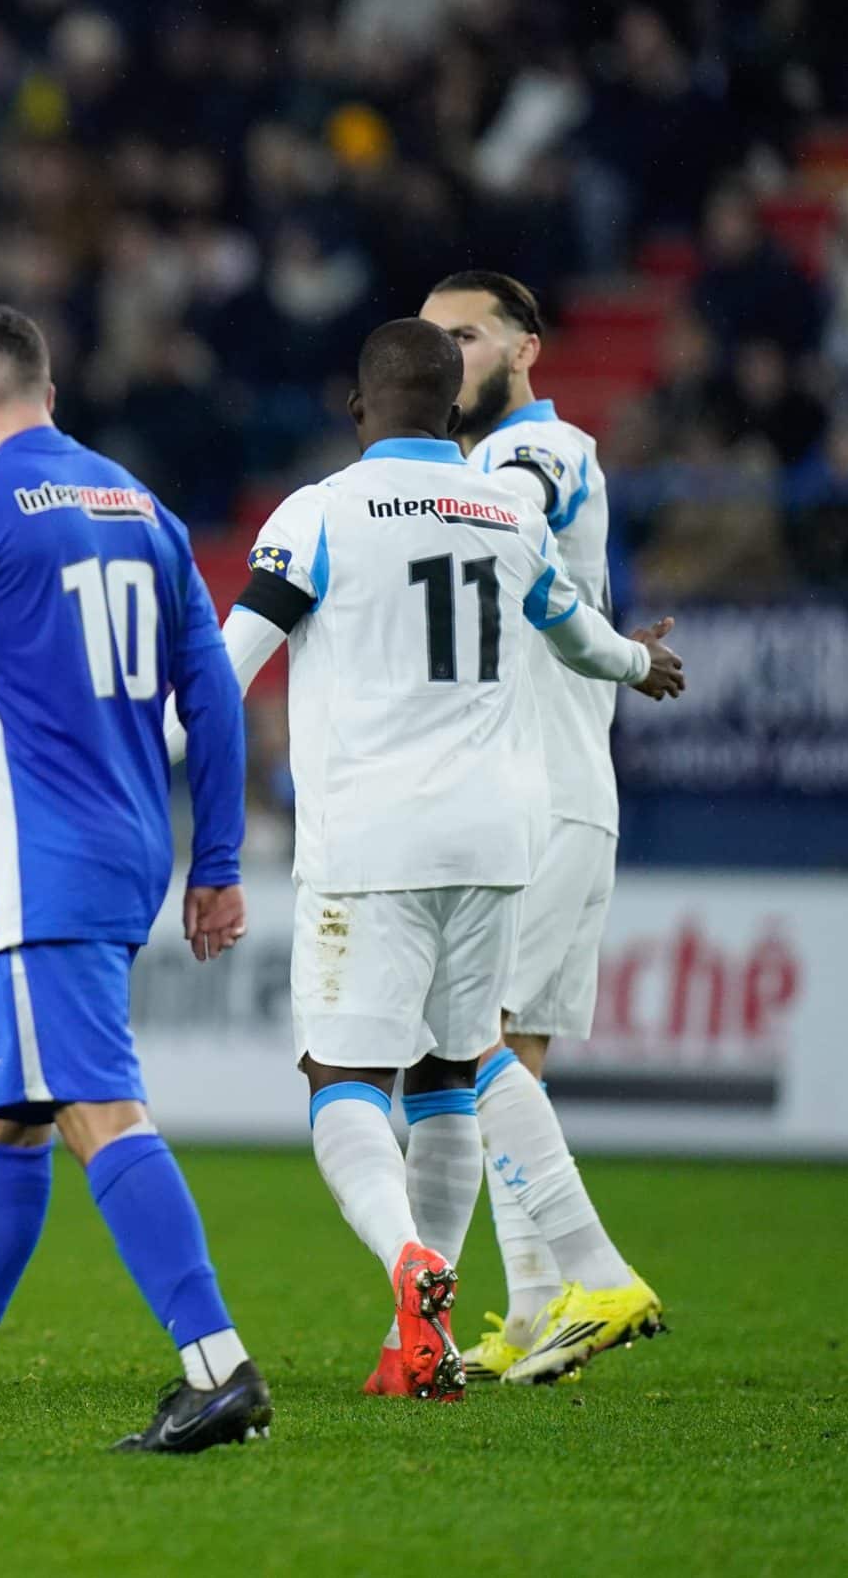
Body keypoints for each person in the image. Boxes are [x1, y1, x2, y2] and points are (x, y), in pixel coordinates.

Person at [0, 305, 268, 1453]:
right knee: (9, 1118)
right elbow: (213, 694)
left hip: (41, 862)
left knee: (94, 1104)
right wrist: (213, 857)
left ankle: (217, 1365)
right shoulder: (142, 508)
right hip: (126, 842)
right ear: (47, 393)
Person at [221, 318, 682, 1401]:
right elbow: (583, 637)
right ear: (452, 407)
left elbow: (228, 661)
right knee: (461, 1060)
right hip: (495, 835)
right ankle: (539, 1292)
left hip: (371, 837)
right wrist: (643, 664)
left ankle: (409, 1263)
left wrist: (146, 748)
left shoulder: (321, 512)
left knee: (343, 1078)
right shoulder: (505, 511)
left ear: (358, 406)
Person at [419, 271, 668, 1385]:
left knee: (474, 1041)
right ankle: (532, 1311)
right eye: (426, 343)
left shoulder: (539, 452)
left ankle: (598, 1272)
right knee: (503, 1052)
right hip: (537, 789)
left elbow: (506, 515)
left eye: (463, 337)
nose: (444, 358)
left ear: (525, 347)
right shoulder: (469, 467)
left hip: (540, 793)